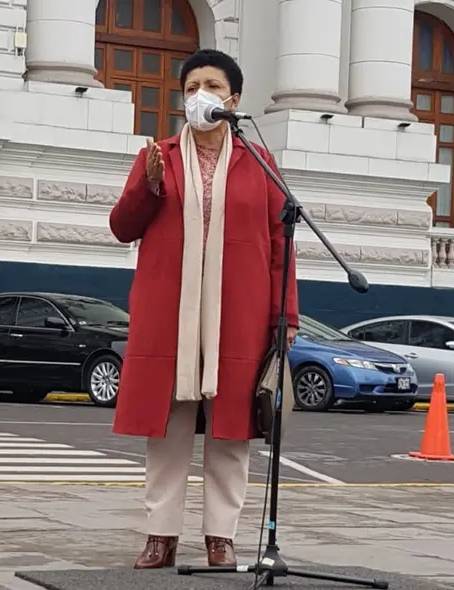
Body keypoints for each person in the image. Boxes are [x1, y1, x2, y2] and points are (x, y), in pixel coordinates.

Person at [107, 48, 300, 570]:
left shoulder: (259, 163)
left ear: (233, 99)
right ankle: (160, 536)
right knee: (166, 428)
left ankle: (222, 536)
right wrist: (146, 186)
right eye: (192, 86)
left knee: (231, 430)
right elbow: (123, 227)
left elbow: (281, 248)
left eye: (211, 86)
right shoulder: (159, 156)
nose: (200, 95)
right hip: (169, 314)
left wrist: (286, 317)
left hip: (237, 316)